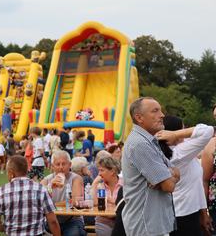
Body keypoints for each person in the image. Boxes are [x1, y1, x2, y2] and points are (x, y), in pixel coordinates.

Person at [121, 97, 180, 236]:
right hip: (146, 226)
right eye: (155, 111)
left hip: (151, 225)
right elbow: (169, 186)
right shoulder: (140, 144)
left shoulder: (148, 141)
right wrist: (167, 176)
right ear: (139, 117)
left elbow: (176, 172)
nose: (162, 115)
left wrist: (167, 174)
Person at [156, 115, 214, 236]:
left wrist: (203, 213)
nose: (184, 132)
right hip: (183, 215)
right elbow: (207, 130)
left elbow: (196, 184)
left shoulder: (176, 150)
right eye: (183, 129)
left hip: (188, 211)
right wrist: (176, 134)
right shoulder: (179, 153)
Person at [0, 156, 61, 236]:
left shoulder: (1, 191)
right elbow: (52, 221)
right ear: (27, 170)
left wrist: (6, 229)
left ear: (11, 173)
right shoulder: (40, 189)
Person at [41, 151, 86, 236]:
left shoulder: (76, 178)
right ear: (53, 166)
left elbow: (74, 202)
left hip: (72, 220)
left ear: (70, 165)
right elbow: (39, 201)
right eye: (58, 164)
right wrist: (50, 187)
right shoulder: (47, 180)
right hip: (52, 219)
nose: (61, 167)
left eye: (64, 164)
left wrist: (52, 205)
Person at [91, 156, 122, 236]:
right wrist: (94, 184)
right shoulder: (99, 185)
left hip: (121, 221)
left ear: (112, 171)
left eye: (102, 170)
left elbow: (124, 205)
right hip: (103, 221)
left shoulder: (124, 184)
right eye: (99, 170)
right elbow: (94, 204)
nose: (99, 174)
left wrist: (108, 199)